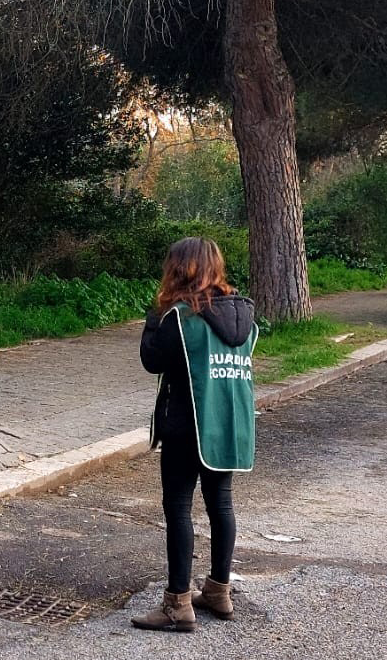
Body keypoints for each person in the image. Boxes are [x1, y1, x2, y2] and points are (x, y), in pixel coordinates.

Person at [132, 236, 257, 633]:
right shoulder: (244, 314)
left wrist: (156, 314)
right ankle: (219, 590)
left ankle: (177, 604)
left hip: (186, 424)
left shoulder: (180, 317)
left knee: (179, 508)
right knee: (221, 503)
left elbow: (152, 360)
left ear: (178, 269)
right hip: (227, 423)